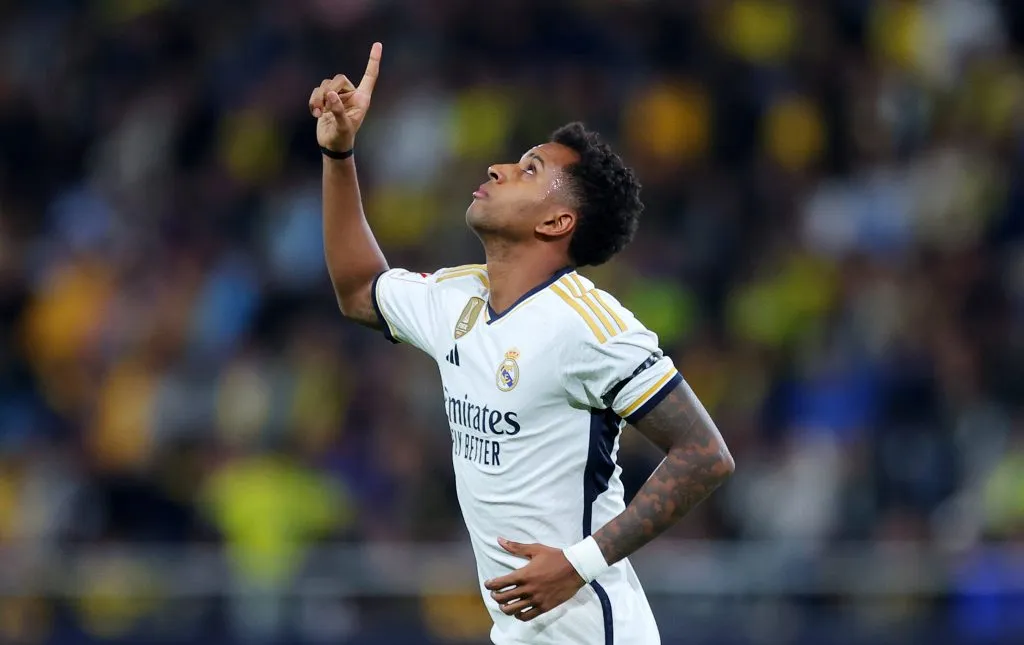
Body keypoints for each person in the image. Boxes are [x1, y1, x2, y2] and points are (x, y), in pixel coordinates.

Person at [309, 42, 735, 645]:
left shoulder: (589, 326)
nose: (497, 169)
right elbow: (359, 292)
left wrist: (579, 562)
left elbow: (705, 454)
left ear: (557, 222)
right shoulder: (458, 298)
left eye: (529, 170)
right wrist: (339, 152)